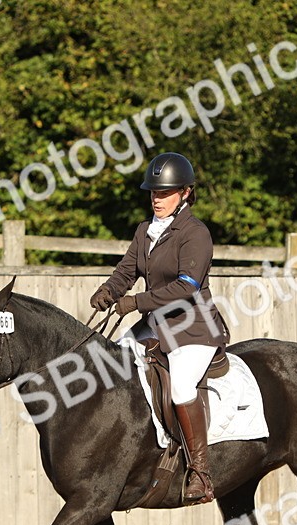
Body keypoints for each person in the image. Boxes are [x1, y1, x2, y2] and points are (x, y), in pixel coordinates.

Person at [90, 152, 229, 504]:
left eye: (165, 193)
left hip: (192, 329)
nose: (156, 198)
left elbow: (186, 288)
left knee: (182, 388)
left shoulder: (195, 234)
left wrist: (135, 302)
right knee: (109, 363)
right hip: (155, 325)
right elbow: (126, 270)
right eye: (153, 192)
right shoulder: (145, 231)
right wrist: (110, 290)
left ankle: (200, 473)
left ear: (184, 193)